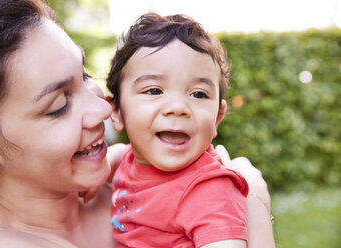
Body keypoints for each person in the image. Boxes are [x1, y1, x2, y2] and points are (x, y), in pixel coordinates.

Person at [0, 1, 274, 247]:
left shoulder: (125, 185)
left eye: (86, 76)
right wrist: (255, 202)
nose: (103, 107)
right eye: (58, 106)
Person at [105, 13, 272, 248]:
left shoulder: (209, 189)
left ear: (217, 118)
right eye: (154, 90)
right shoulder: (129, 159)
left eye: (198, 94)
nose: (178, 108)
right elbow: (119, 153)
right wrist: (104, 163)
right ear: (117, 111)